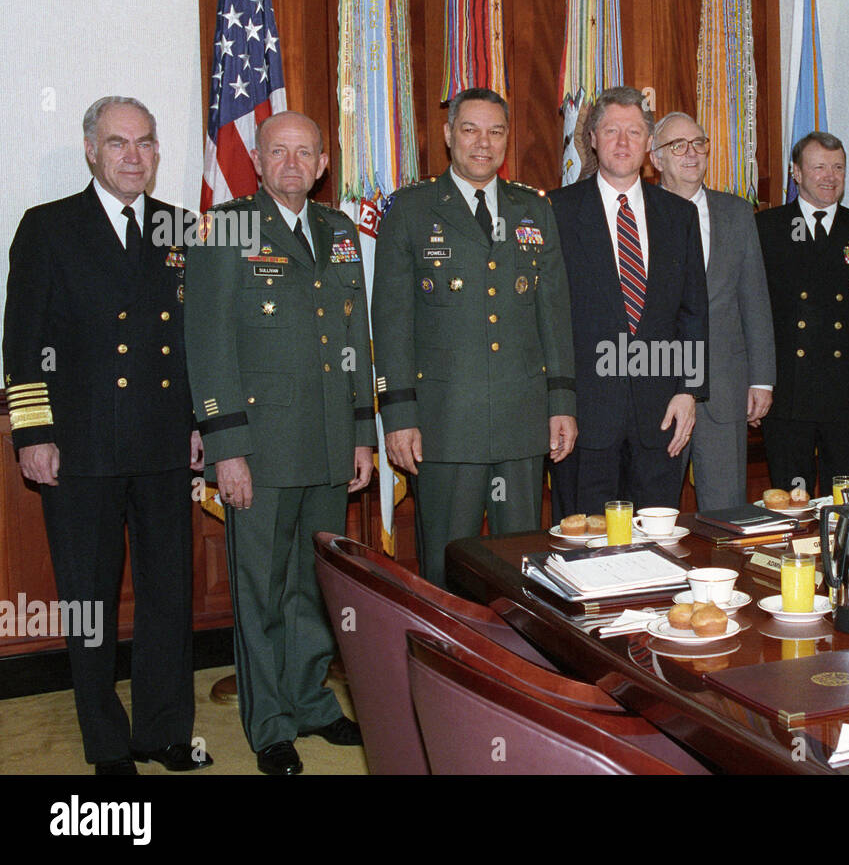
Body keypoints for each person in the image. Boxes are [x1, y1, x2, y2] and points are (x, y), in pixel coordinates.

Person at [3, 96, 210, 775]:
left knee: (167, 593)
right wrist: (33, 434)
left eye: (145, 143)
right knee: (90, 598)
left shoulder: (180, 229)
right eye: (118, 142)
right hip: (81, 448)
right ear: (91, 149)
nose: (133, 155)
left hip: (160, 445)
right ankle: (108, 742)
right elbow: (23, 343)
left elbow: (192, 346)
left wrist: (197, 422)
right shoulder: (49, 226)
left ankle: (164, 729)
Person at [185, 111, 376, 775]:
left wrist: (361, 434)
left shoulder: (340, 232)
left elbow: (354, 339)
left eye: (305, 153)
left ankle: (309, 698)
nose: (292, 163)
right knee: (261, 588)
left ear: (323, 164)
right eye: (278, 151)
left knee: (314, 583)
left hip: (328, 444)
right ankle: (268, 720)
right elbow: (207, 345)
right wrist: (225, 446)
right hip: (259, 450)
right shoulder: (228, 226)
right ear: (259, 161)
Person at [372, 88, 577, 587]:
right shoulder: (412, 210)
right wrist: (398, 416)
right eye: (470, 130)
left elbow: (554, 315)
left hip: (521, 423)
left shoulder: (533, 209)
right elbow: (391, 321)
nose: (483, 144)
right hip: (444, 426)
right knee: (445, 568)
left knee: (523, 569)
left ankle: (516, 664)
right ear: (448, 135)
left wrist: (562, 403)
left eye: (496, 131)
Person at [547, 87, 709, 515]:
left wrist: (689, 390)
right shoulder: (557, 212)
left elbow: (692, 312)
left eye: (634, 132)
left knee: (658, 552)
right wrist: (557, 404)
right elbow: (546, 317)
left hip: (660, 421)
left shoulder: (679, 215)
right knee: (585, 555)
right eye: (611, 131)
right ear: (593, 139)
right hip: (584, 421)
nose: (622, 142)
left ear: (649, 143)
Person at [756, 131, 849, 495]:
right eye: (819, 167)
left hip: (847, 396)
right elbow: (752, 315)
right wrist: (754, 382)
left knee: (846, 503)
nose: (830, 177)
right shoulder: (767, 229)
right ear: (796, 172)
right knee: (791, 502)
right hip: (788, 394)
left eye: (838, 167)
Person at [648, 111, 774, 510]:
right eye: (677, 146)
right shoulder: (637, 213)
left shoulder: (736, 213)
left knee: (727, 512)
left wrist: (763, 379)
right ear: (655, 158)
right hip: (656, 386)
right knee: (656, 512)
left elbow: (754, 298)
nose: (691, 153)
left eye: (698, 143)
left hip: (725, 387)